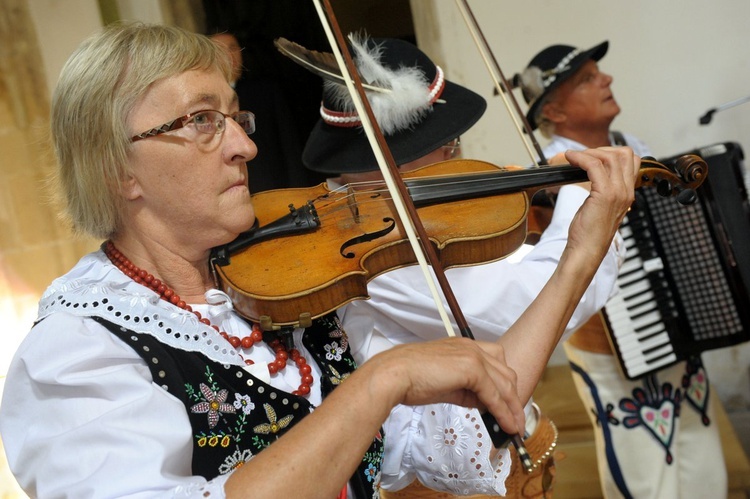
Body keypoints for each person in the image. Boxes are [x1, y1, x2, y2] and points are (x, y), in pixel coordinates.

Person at [0, 22, 637, 498]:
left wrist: (581, 252)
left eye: (234, 116)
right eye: (201, 121)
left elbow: (487, 396)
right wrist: (382, 381)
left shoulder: (281, 290)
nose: (246, 146)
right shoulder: (81, 353)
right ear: (117, 170)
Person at [291, 35, 634, 496]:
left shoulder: (400, 220)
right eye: (448, 144)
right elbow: (525, 306)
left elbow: (500, 272)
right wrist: (579, 197)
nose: (457, 155)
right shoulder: (367, 254)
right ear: (395, 159)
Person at [515, 41, 727, 498]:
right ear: (553, 109)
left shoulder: (631, 147)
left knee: (702, 471)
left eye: (600, 73)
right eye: (587, 79)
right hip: (612, 350)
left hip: (673, 335)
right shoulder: (551, 173)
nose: (606, 80)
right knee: (646, 478)